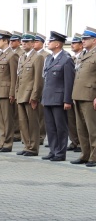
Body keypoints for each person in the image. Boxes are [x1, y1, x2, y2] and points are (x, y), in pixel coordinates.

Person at [40, 31, 74, 162]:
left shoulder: (66, 59)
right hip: (48, 97)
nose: (48, 43)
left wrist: (67, 100)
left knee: (61, 127)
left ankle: (60, 153)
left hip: (59, 99)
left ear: (58, 44)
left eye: (51, 41)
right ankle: (53, 150)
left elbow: (69, 81)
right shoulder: (49, 58)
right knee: (50, 127)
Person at [15, 32, 44, 157]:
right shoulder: (22, 57)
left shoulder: (37, 57)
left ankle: (33, 147)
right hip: (21, 94)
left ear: (33, 44)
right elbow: (18, 77)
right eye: (23, 42)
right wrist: (16, 92)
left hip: (30, 95)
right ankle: (27, 145)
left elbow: (38, 79)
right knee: (23, 122)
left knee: (32, 123)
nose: (24, 44)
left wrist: (35, 97)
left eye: (27, 42)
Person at [71, 26, 96, 167]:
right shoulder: (82, 55)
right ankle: (85, 155)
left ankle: (94, 156)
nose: (83, 41)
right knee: (81, 129)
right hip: (79, 95)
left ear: (94, 40)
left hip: (90, 96)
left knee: (93, 128)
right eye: (83, 39)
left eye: (86, 39)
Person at [0, 30, 18, 152]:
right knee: (0, 119)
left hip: (6, 91)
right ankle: (1, 142)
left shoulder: (12, 55)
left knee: (7, 119)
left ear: (5, 41)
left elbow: (14, 76)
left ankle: (7, 143)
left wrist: (12, 93)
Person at [67, 33, 83, 152]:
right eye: (71, 43)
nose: (72, 45)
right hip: (71, 91)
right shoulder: (71, 58)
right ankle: (74, 141)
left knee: (81, 120)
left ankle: (81, 144)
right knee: (71, 119)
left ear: (81, 45)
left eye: (74, 43)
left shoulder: (83, 57)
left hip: (80, 92)